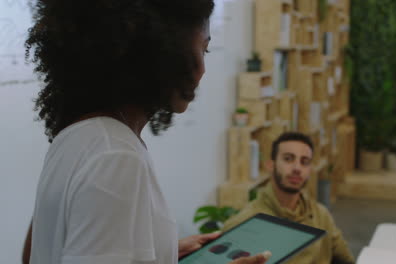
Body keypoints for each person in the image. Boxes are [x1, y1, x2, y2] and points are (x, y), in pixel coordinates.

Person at [22, 0, 270, 263]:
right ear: (160, 52)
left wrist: (162, 253)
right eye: (203, 49)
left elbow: (38, 252)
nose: (202, 70)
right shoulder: (115, 156)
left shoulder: (77, 136)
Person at [222, 132, 355, 264]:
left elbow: (347, 260)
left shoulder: (320, 214)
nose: (297, 168)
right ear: (270, 165)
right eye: (288, 159)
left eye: (305, 162)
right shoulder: (246, 222)